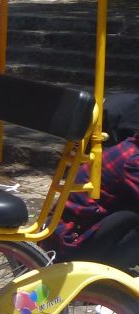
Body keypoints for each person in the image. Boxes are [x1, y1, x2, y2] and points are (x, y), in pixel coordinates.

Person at [47, 95, 139, 278]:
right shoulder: (133, 160)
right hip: (70, 243)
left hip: (71, 232)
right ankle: (110, 275)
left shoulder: (129, 148)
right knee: (132, 217)